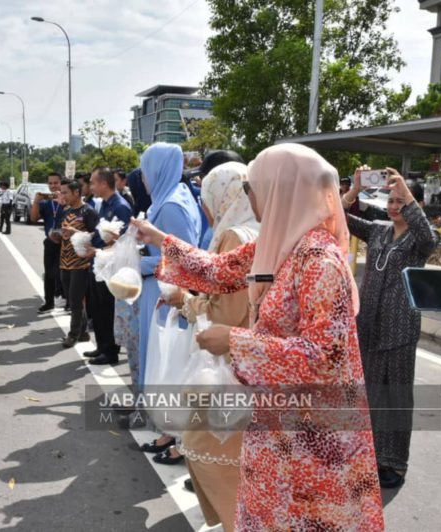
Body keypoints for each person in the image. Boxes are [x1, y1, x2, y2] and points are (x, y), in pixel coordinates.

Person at [133, 143, 385, 531]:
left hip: (312, 437)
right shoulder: (280, 243)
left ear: (282, 189)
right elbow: (219, 271)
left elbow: (324, 357)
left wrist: (235, 342)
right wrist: (159, 239)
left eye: (253, 187)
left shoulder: (319, 260)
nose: (249, 197)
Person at [160, 161, 258, 530]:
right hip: (255, 361)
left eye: (207, 198)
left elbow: (226, 313)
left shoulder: (235, 236)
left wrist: (185, 300)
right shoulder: (264, 229)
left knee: (207, 449)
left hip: (229, 364)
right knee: (238, 454)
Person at [342, 166, 440, 489]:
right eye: (391, 200)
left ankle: (394, 463)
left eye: (401, 201)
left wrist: (407, 193)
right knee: (370, 394)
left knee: (396, 397)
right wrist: (355, 189)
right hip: (369, 326)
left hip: (400, 330)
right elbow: (336, 217)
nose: (394, 206)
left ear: (415, 204)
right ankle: (369, 455)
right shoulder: (378, 230)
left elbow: (428, 237)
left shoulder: (421, 238)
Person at [136, 143, 202, 460]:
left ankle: (175, 435)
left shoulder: (171, 205)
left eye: (146, 171)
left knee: (168, 362)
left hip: (167, 292)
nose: (143, 179)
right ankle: (169, 433)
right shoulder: (173, 197)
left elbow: (185, 257)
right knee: (168, 362)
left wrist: (140, 263)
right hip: (165, 289)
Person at [84, 167, 132, 365]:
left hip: (111, 267)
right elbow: (101, 233)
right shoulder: (103, 204)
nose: (91, 187)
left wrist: (98, 250)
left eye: (93, 182)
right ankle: (101, 346)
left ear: (104, 183)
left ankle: (110, 351)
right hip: (98, 265)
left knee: (107, 310)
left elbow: (124, 241)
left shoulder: (120, 206)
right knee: (97, 309)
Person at [59, 178, 99, 348]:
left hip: (81, 263)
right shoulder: (66, 211)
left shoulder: (88, 212)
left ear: (76, 192)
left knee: (75, 300)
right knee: (71, 300)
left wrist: (75, 231)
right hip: (65, 261)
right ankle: (83, 332)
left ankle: (73, 334)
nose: (63, 196)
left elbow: (97, 236)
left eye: (65, 192)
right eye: (62, 193)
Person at [31, 172, 66, 313]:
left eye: (56, 183)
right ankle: (49, 302)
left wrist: (63, 202)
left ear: (61, 183)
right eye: (50, 183)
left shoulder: (67, 200)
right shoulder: (46, 203)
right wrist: (36, 201)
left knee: (63, 273)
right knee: (49, 273)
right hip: (50, 241)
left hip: (66, 242)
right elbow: (34, 218)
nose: (53, 186)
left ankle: (67, 301)